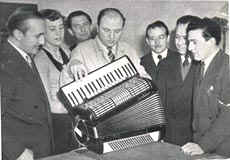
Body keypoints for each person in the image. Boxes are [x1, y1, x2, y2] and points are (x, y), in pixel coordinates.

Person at [0, 7, 54, 160]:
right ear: (18, 34)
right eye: (38, 36)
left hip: (37, 148)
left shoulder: (23, 53)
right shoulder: (4, 62)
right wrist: (16, 152)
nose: (43, 42)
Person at [182, 18, 230, 156]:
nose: (190, 48)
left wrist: (203, 145)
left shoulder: (227, 67)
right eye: (189, 42)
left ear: (211, 41)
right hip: (202, 145)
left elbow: (228, 117)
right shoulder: (201, 65)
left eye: (194, 42)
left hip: (221, 150)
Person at [34, 9, 78, 154]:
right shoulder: (39, 58)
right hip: (58, 122)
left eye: (61, 28)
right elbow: (47, 103)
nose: (58, 33)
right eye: (52, 29)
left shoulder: (66, 50)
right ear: (42, 32)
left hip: (74, 117)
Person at [67, 8, 149, 82]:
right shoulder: (81, 50)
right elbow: (71, 68)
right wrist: (74, 64)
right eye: (106, 30)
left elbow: (143, 76)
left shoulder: (129, 49)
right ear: (98, 28)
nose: (112, 36)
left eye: (117, 31)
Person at [156, 15, 201, 146]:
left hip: (195, 140)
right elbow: (160, 104)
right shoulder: (164, 64)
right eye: (177, 37)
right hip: (169, 138)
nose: (180, 42)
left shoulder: (203, 64)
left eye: (185, 38)